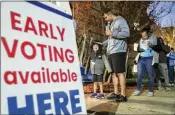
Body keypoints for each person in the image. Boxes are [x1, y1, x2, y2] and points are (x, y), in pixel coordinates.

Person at [102, 9, 130, 102]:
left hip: (118, 51)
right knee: (113, 73)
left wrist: (112, 33)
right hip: (111, 51)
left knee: (119, 73)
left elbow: (126, 33)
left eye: (106, 17)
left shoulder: (121, 20)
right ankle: (116, 93)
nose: (105, 19)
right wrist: (102, 44)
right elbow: (111, 39)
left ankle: (123, 95)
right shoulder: (111, 24)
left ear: (110, 14)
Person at [132, 28, 155, 97]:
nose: (143, 37)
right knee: (139, 75)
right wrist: (138, 49)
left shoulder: (151, 39)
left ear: (148, 34)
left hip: (149, 58)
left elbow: (153, 48)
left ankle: (151, 91)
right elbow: (138, 49)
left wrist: (150, 45)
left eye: (145, 35)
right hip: (141, 58)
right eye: (142, 35)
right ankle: (138, 90)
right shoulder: (140, 40)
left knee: (150, 75)